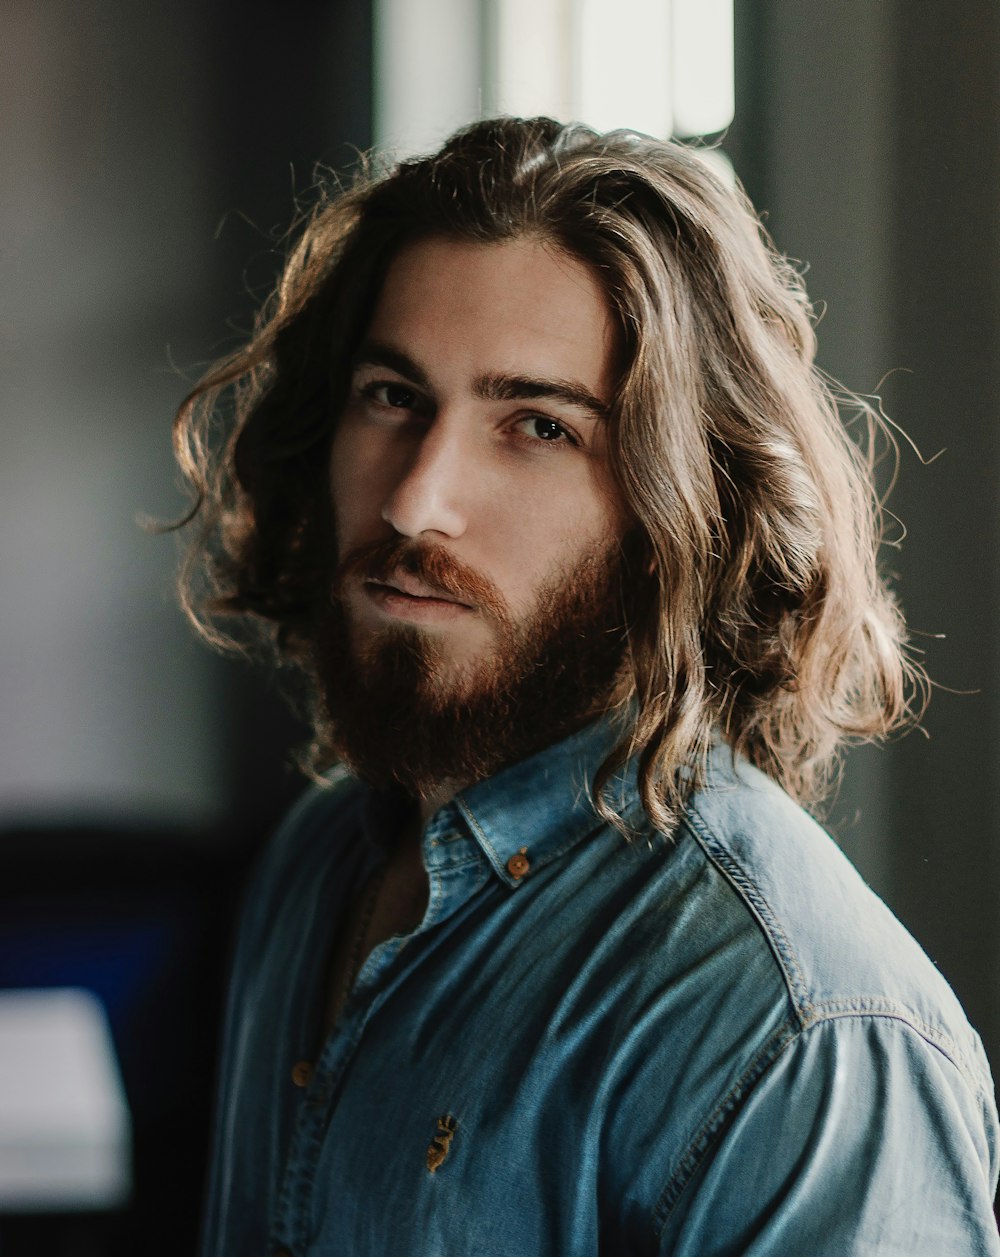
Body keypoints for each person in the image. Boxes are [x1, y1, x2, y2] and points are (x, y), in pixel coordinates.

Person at [173, 117, 999, 1255]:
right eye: (392, 396)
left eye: (538, 427)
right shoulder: (318, 866)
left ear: (681, 505)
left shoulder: (794, 1031)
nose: (417, 502)